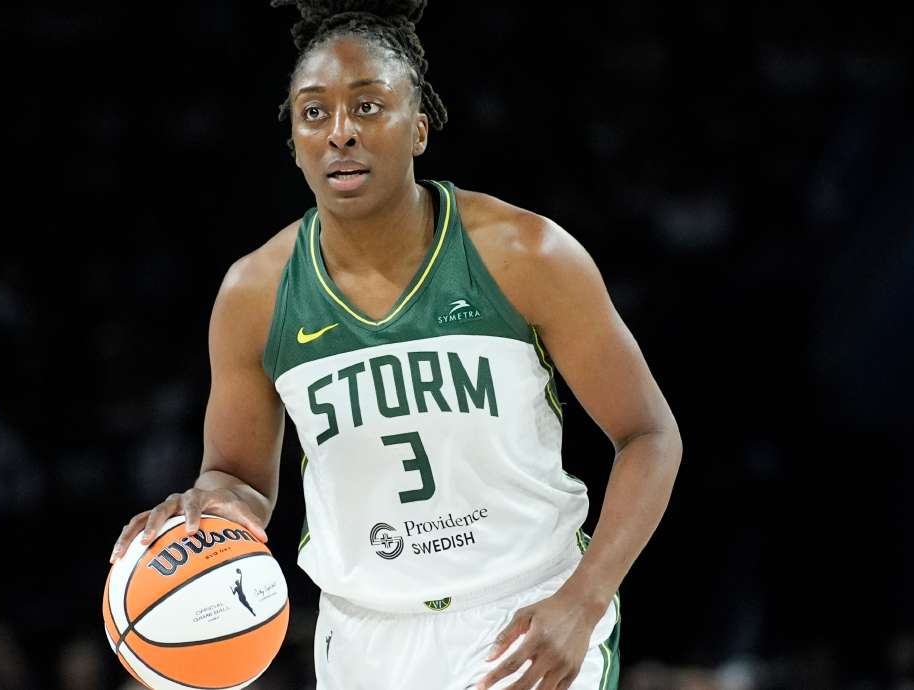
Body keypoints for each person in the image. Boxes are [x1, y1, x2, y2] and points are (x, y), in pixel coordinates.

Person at [109, 1, 682, 688]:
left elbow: (649, 435)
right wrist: (203, 512)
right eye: (314, 113)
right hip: (362, 636)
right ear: (293, 140)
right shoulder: (253, 295)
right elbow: (236, 479)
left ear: (419, 128)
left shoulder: (525, 254)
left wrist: (584, 602)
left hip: (525, 616)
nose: (340, 133)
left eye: (369, 106)